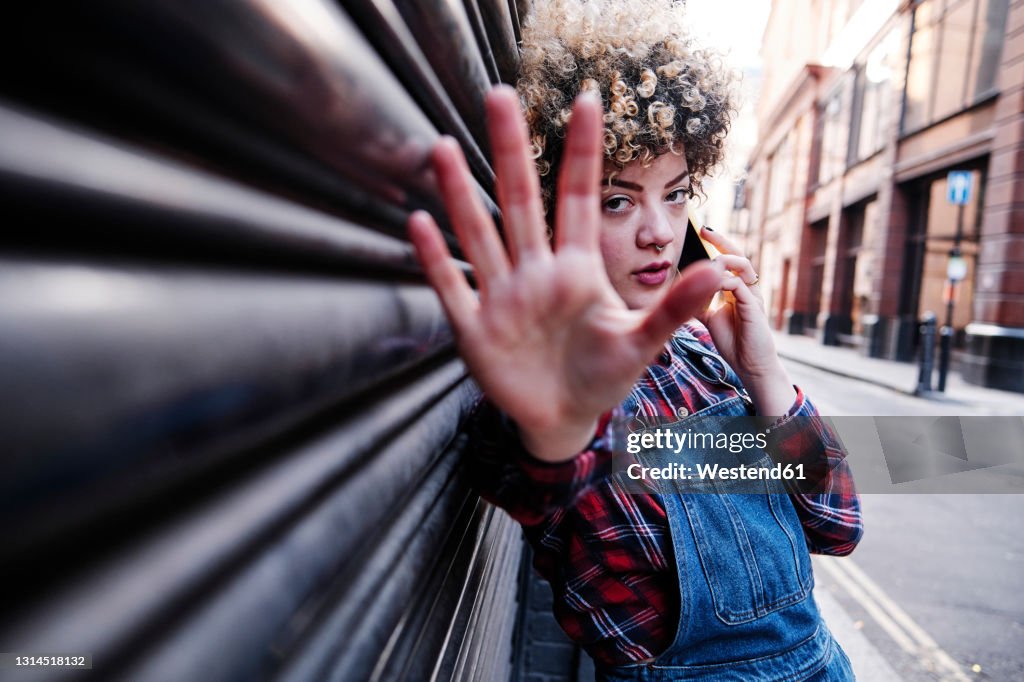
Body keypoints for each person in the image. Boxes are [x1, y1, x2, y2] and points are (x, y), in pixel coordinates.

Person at [407, 1, 862, 679]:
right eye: (618, 200)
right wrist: (562, 429)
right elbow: (545, 475)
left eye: (675, 195)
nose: (659, 231)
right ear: (550, 209)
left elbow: (838, 525)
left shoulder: (703, 358)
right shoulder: (545, 382)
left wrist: (764, 377)